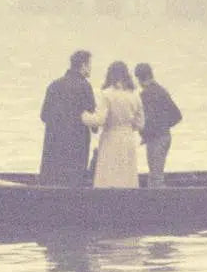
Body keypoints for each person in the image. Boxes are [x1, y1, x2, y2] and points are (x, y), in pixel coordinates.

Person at [82, 61, 145, 188]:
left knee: (109, 175)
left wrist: (83, 116)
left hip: (110, 137)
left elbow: (99, 120)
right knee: (127, 176)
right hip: (128, 138)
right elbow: (140, 124)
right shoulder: (134, 95)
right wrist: (128, 126)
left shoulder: (107, 94)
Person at [39, 50, 97, 186]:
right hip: (76, 146)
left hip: (54, 143)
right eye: (89, 65)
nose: (90, 68)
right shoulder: (85, 87)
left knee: (52, 180)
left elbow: (44, 115)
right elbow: (92, 118)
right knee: (74, 182)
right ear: (83, 66)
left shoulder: (53, 85)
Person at [133, 62, 182, 188]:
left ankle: (158, 203)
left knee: (155, 176)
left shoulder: (145, 94)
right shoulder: (162, 91)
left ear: (139, 78)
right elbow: (177, 116)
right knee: (156, 173)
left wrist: (145, 134)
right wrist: (164, 126)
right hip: (165, 136)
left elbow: (147, 120)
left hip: (155, 139)